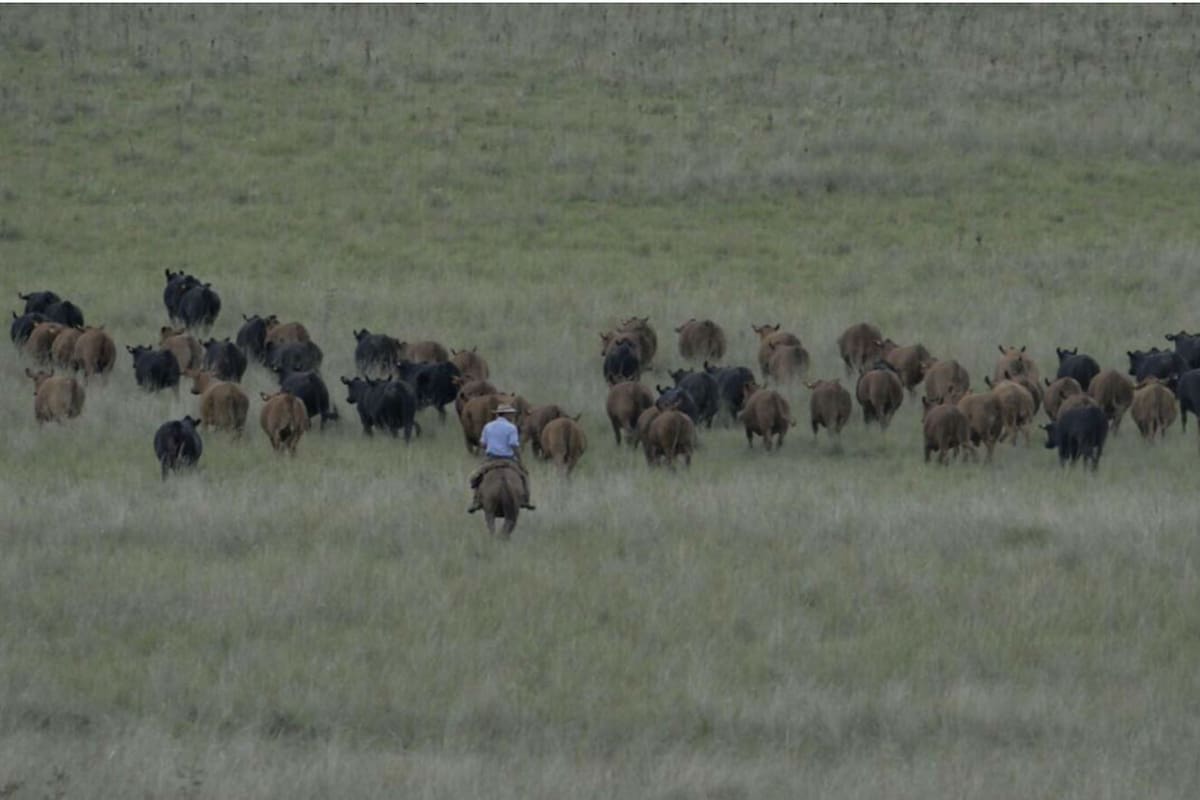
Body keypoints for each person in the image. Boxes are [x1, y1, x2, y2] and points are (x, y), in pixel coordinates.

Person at [467, 404, 535, 513]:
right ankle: (525, 500)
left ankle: (476, 501)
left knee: (476, 477)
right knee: (524, 476)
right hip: (508, 460)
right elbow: (513, 445)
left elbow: (483, 444)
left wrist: (492, 445)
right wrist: (520, 461)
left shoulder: (488, 426)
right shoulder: (511, 427)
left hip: (491, 459)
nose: (512, 415)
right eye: (511, 413)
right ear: (506, 414)